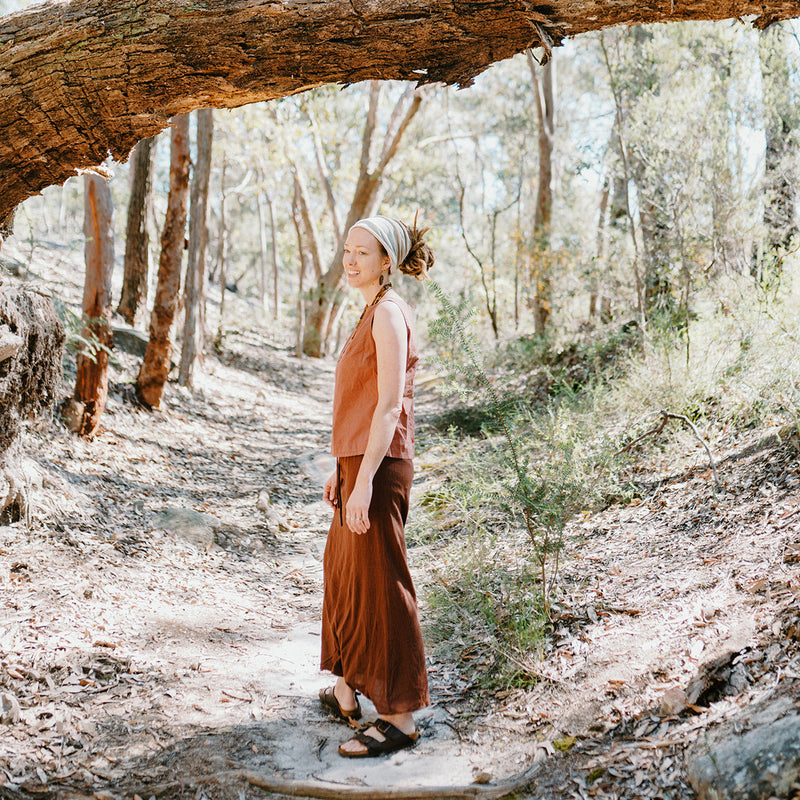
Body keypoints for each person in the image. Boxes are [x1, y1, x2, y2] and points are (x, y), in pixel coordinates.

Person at [319, 214, 433, 758]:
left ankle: (400, 716)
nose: (352, 259)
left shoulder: (388, 314)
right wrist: (341, 467)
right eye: (348, 250)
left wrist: (363, 481)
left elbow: (389, 407)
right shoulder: (368, 310)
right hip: (358, 463)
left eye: (363, 252)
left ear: (387, 261)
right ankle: (347, 686)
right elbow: (362, 400)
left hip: (380, 469)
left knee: (383, 585)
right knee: (346, 576)